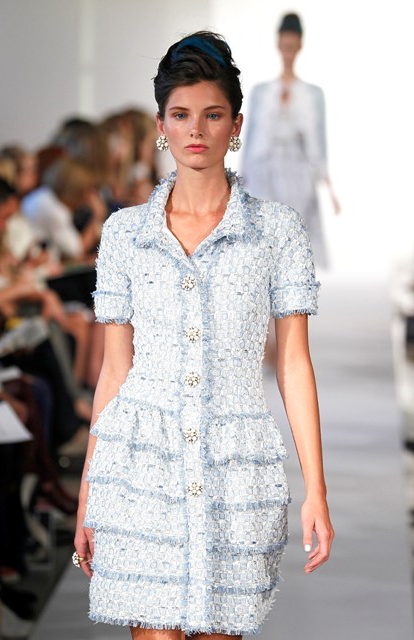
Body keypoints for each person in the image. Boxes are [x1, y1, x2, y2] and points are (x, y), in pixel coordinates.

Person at [74, 30, 334, 639]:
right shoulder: (125, 234)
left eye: (213, 115)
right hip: (139, 467)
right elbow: (115, 370)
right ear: (160, 125)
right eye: (181, 115)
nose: (196, 130)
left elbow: (294, 365)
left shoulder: (276, 232)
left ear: (236, 125)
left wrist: (316, 490)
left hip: (235, 469)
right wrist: (90, 489)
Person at [242, 13, 340, 269]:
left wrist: (329, 188)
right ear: (278, 44)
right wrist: (242, 179)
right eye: (285, 46)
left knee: (297, 234)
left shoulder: (312, 94)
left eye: (292, 47)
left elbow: (318, 141)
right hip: (265, 171)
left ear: (300, 47)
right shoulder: (262, 93)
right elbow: (251, 138)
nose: (288, 53)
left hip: (298, 174)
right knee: (266, 235)